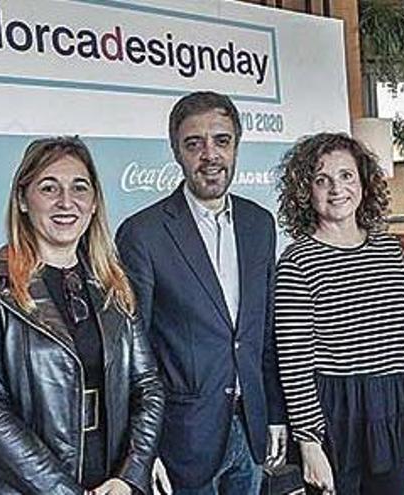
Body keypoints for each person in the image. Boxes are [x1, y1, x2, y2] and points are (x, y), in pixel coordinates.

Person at [0, 136, 164, 495]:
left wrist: (130, 476)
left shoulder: (112, 281)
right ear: (22, 199)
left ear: (94, 202)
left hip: (109, 483)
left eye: (79, 188)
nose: (66, 202)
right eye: (49, 188)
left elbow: (148, 386)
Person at [115, 91, 287, 494]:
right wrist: (142, 449)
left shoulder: (259, 224)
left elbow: (265, 334)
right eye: (194, 144)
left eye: (221, 140)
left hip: (252, 430)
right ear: (177, 153)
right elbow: (130, 351)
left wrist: (275, 414)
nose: (210, 155)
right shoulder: (143, 233)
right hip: (180, 441)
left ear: (236, 146)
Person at [273, 132, 404, 495]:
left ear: (363, 183)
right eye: (321, 179)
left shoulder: (388, 250)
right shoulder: (297, 262)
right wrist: (310, 442)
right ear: (305, 191)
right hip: (336, 415)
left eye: (346, 176)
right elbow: (294, 360)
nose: (336, 189)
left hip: (393, 404)